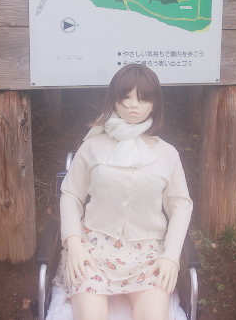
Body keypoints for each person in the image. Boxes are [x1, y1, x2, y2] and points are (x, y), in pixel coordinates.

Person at [54, 64, 193, 320]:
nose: (133, 105)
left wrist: (171, 256)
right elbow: (71, 195)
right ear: (114, 99)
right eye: (125, 96)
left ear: (155, 104)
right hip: (92, 249)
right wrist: (74, 244)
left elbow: (181, 205)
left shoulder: (167, 154)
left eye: (143, 98)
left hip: (147, 254)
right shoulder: (93, 146)